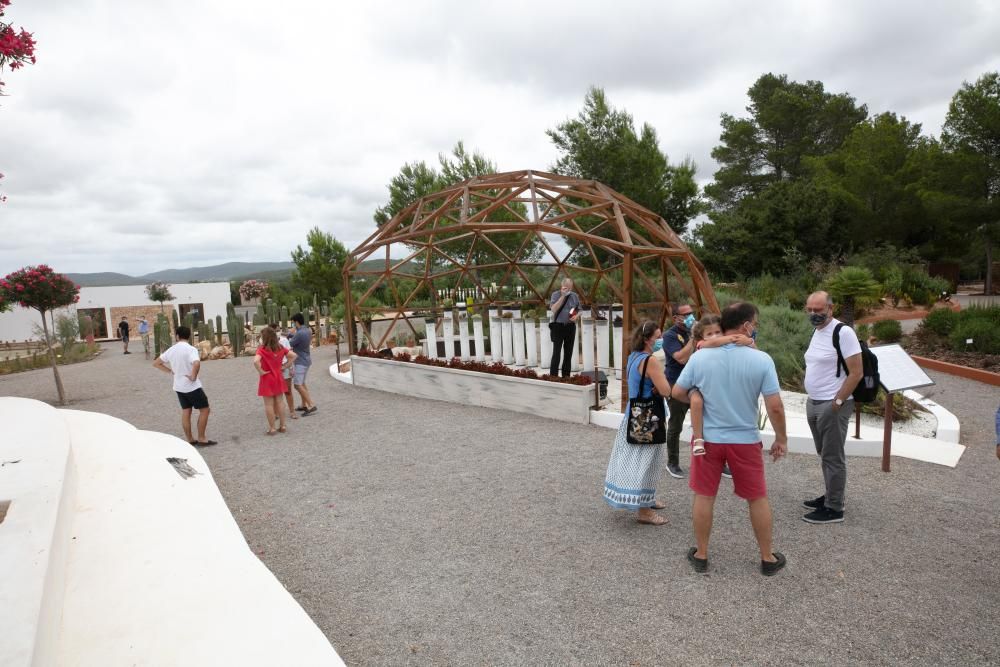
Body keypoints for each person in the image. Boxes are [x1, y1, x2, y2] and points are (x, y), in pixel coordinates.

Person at [671, 302, 789, 576]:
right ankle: (767, 558)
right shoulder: (761, 360)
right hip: (745, 440)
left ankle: (701, 554)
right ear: (746, 325)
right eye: (755, 323)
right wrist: (781, 438)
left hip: (708, 439)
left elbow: (677, 391)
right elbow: (775, 406)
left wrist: (695, 398)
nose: (755, 328)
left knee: (704, 495)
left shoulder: (700, 357)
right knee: (757, 497)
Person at [603, 320, 674, 526]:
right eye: (658, 336)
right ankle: (644, 511)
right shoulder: (651, 361)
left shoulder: (633, 357)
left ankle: (647, 500)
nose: (661, 340)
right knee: (645, 463)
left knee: (643, 461)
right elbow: (666, 390)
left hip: (633, 414)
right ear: (647, 339)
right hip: (648, 418)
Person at [802, 291, 863, 525]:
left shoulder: (843, 332)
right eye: (809, 310)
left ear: (831, 309)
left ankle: (835, 507)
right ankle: (830, 495)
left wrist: (837, 402)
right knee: (824, 453)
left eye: (818, 310)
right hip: (815, 401)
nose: (813, 314)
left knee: (833, 456)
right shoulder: (817, 331)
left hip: (832, 405)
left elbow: (857, 372)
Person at [687, 315, 754, 457]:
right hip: (698, 386)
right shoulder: (702, 344)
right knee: (697, 401)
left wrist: (749, 341)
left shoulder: (726, 347)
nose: (714, 336)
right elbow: (712, 343)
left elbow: (756, 352)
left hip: (715, 386)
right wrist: (735, 338)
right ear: (702, 336)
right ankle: (698, 439)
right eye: (709, 334)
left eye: (717, 332)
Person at [153, 325, 217, 447]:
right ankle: (202, 438)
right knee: (205, 410)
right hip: (192, 386)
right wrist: (193, 375)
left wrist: (170, 371)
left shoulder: (171, 349)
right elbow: (196, 363)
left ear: (177, 336)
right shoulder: (191, 349)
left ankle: (190, 439)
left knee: (186, 411)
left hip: (178, 386)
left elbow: (156, 363)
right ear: (189, 336)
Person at [661, 303, 696, 478]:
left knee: (709, 422)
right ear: (676, 318)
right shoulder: (670, 335)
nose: (691, 316)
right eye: (686, 314)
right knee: (676, 424)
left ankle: (713, 461)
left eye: (692, 312)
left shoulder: (696, 331)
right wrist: (693, 339)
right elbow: (681, 358)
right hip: (677, 385)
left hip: (697, 383)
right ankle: (672, 462)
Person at [255, 326, 297, 435]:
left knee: (268, 405)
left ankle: (272, 428)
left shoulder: (262, 349)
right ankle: (283, 426)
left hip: (267, 378)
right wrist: (285, 366)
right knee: (280, 402)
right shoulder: (280, 347)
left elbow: (255, 361)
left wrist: (260, 371)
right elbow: (293, 356)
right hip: (278, 376)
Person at [549, 278, 580, 377]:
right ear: (562, 286)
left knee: (568, 352)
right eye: (566, 288)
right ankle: (553, 376)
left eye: (570, 288)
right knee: (556, 352)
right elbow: (553, 309)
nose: (568, 290)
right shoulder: (555, 294)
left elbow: (579, 309)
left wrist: (576, 316)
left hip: (570, 327)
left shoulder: (574, 296)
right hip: (558, 326)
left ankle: (566, 376)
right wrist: (562, 296)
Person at [290, 313, 317, 415]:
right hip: (306, 360)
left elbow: (291, 343)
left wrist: (289, 335)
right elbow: (296, 338)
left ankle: (311, 404)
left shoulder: (300, 333)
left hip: (300, 361)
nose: (293, 325)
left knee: (297, 385)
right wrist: (291, 334)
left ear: (296, 322)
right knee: (302, 383)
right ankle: (304, 404)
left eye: (293, 323)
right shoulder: (307, 330)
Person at [273, 323, 298, 420]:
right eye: (275, 331)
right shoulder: (267, 344)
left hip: (285, 367)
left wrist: (290, 367)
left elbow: (290, 354)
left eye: (278, 330)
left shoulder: (284, 340)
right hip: (275, 369)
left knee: (288, 391)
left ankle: (292, 411)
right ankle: (276, 412)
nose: (277, 332)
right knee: (276, 392)